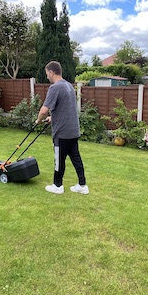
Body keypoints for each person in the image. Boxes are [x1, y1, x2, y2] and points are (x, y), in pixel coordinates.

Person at [36, 61, 89, 195]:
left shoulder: (55, 88)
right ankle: (82, 185)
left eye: (47, 73)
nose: (47, 76)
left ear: (51, 72)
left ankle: (57, 185)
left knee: (59, 159)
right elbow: (65, 109)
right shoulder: (69, 86)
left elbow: (43, 110)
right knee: (76, 158)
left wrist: (39, 120)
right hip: (73, 131)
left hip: (62, 132)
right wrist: (52, 118)